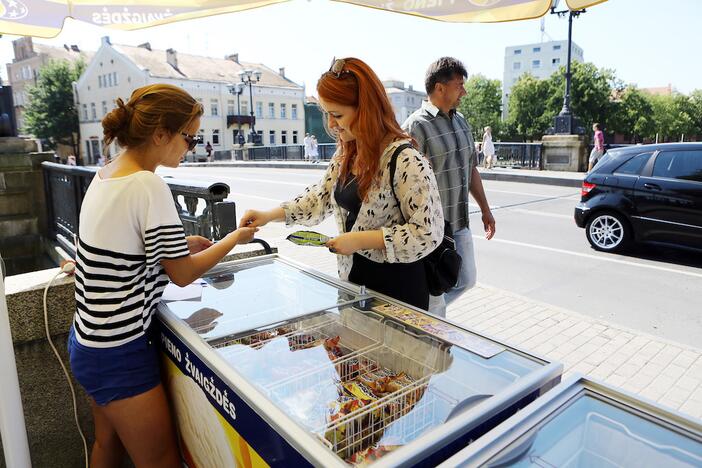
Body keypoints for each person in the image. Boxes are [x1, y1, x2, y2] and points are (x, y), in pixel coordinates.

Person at [67, 83, 257, 467]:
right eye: (190, 137)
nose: (192, 146)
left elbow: (123, 248)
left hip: (88, 340)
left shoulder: (105, 175)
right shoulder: (148, 184)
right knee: (162, 461)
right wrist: (234, 238)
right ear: (160, 134)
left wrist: (181, 242)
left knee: (108, 446)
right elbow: (183, 276)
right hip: (120, 351)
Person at [239, 57, 444, 310]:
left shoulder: (406, 160)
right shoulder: (347, 152)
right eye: (327, 114)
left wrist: (359, 240)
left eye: (337, 115)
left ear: (366, 109)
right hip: (352, 286)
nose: (331, 125)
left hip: (397, 294)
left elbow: (428, 234)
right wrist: (269, 215)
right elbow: (319, 199)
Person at [403, 57, 496, 317]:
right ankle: (433, 326)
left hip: (460, 222)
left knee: (467, 280)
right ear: (440, 88)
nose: (464, 92)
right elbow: (402, 181)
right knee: (436, 299)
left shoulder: (462, 121)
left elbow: (472, 169)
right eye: (459, 86)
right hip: (430, 229)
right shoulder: (415, 126)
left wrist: (486, 211)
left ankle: (422, 310)